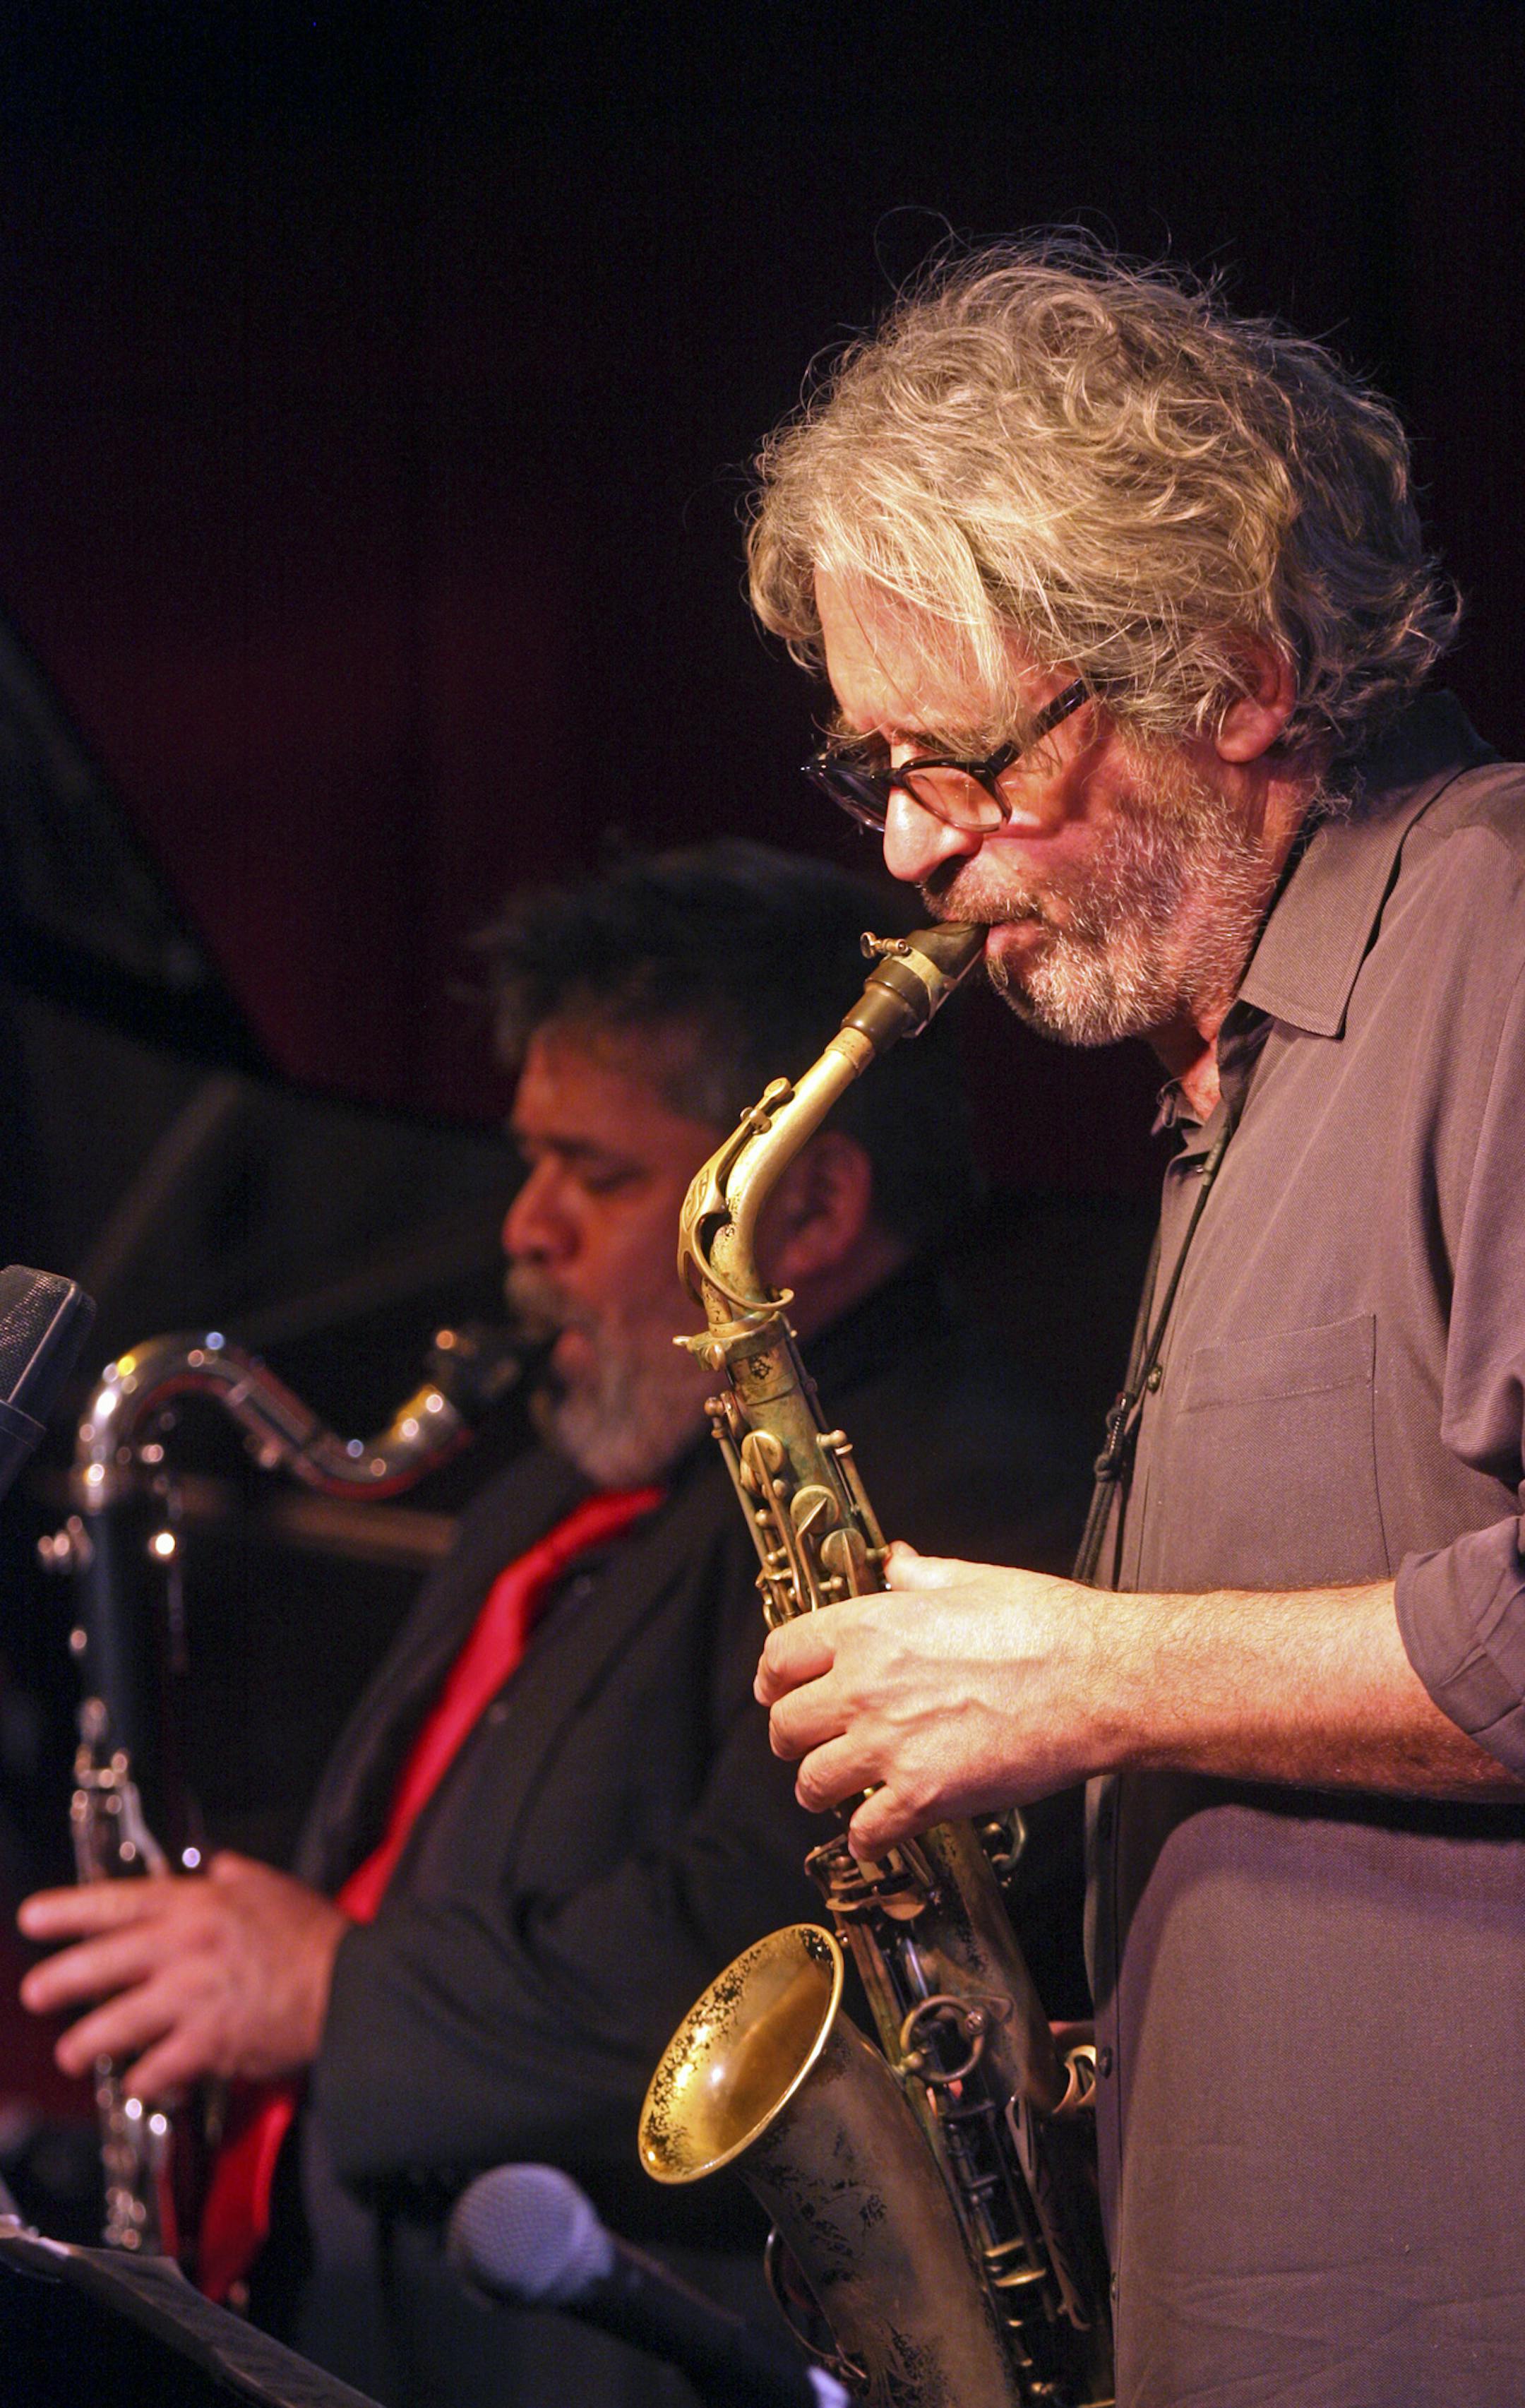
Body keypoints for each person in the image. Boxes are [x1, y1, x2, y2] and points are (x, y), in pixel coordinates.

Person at [743, 240, 1525, 2407]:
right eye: (870, 768)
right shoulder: (1222, 1082)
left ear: (1235, 683)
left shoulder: (1498, 939)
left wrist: (1085, 1673)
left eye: (961, 757)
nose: (911, 843)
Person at [16, 839, 1086, 2408]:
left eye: (593, 1174)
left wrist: (333, 1991)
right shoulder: (564, 1487)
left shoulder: (964, 1495)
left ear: (805, 1206)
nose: (523, 1226)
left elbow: (777, 1944)